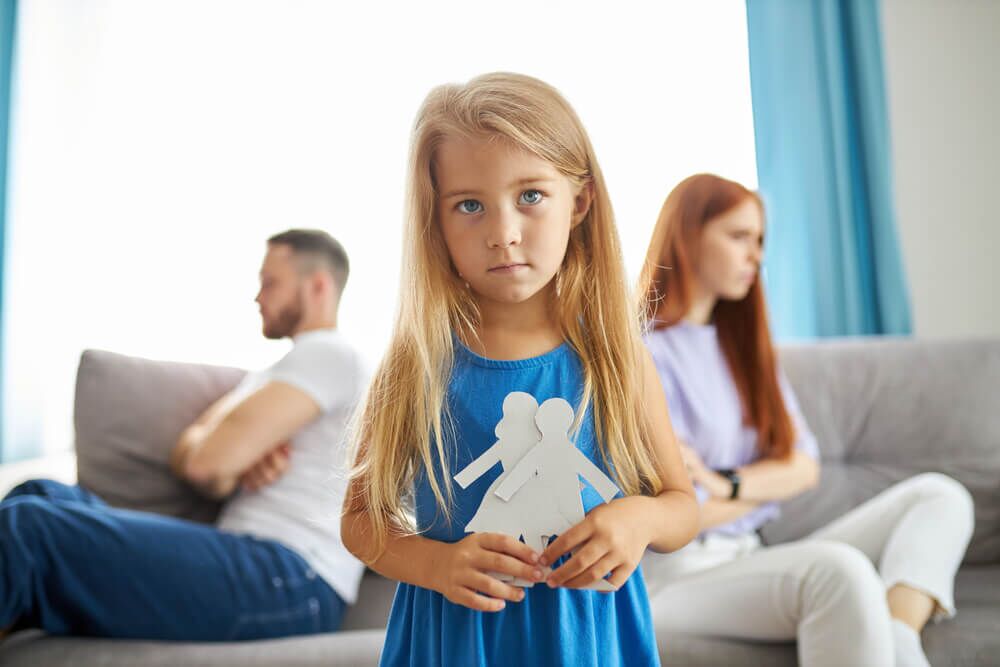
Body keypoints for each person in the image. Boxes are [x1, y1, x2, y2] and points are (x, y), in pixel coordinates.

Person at [340, 72, 699, 666]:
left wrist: (639, 518)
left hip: (585, 640)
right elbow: (360, 520)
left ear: (579, 201)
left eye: (530, 196)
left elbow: (681, 507)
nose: (502, 235)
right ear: (437, 219)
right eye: (470, 206)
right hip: (457, 642)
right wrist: (437, 563)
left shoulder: (614, 355)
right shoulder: (416, 359)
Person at [637, 173, 975, 667]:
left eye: (759, 241)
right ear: (687, 235)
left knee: (940, 496)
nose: (756, 256)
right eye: (738, 237)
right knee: (838, 571)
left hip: (747, 555)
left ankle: (899, 637)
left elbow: (805, 465)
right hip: (678, 575)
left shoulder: (744, 351)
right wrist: (756, 487)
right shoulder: (643, 352)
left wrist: (726, 484)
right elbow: (682, 513)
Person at [0, 229, 365, 641]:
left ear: (318, 285)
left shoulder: (331, 354)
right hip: (251, 559)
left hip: (290, 576)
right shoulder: (274, 373)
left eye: (270, 282)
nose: (257, 297)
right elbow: (195, 455)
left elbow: (205, 464)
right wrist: (230, 453)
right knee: (39, 492)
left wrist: (227, 454)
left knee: (27, 529)